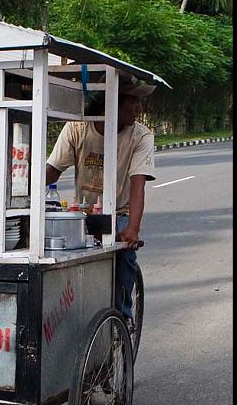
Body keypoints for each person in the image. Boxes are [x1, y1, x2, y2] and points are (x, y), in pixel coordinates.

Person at [45, 72, 156, 325]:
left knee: (124, 258)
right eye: (134, 102)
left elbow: (138, 185)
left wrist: (133, 229)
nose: (139, 108)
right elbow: (51, 171)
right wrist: (19, 186)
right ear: (113, 102)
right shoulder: (77, 127)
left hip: (118, 213)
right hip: (83, 214)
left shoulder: (141, 136)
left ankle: (123, 321)